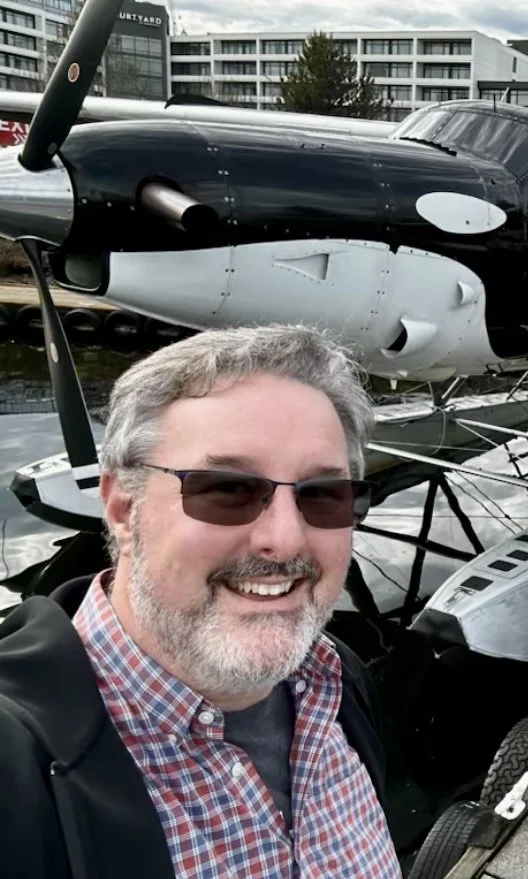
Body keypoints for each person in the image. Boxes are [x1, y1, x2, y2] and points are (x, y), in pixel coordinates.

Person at [0, 325, 402, 879]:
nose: (284, 541)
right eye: (226, 489)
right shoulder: (15, 768)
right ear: (122, 508)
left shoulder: (336, 678)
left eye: (323, 494)